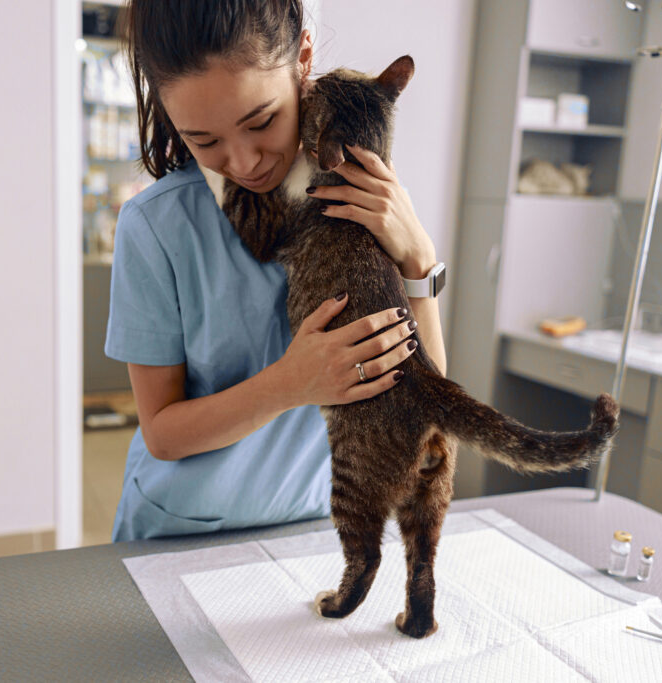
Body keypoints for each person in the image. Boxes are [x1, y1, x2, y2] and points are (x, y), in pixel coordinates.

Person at [105, 0, 446, 541]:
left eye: (260, 122)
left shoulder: (364, 196)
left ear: (303, 58)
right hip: (181, 533)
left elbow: (423, 393)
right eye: (204, 140)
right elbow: (162, 436)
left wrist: (419, 260)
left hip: (314, 528)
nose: (244, 163)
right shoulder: (156, 225)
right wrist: (289, 384)